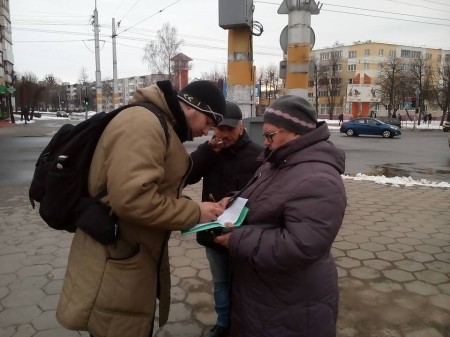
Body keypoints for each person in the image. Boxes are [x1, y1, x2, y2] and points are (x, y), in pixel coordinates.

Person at [56, 80, 227, 337]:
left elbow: (149, 191)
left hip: (126, 252)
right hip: (114, 257)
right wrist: (194, 213)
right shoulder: (144, 124)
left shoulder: (158, 123)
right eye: (209, 124)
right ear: (196, 108)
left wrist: (198, 209)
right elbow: (133, 199)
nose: (208, 132)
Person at [215, 95, 347, 337]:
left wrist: (237, 240)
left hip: (292, 303)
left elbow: (301, 245)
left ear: (296, 133)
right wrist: (232, 201)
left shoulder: (318, 178)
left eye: (269, 135)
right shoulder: (281, 161)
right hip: (267, 292)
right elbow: (267, 195)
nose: (265, 142)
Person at [186, 101, 264, 337]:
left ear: (241, 127)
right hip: (213, 232)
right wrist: (207, 151)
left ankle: (245, 325)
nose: (222, 134)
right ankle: (223, 324)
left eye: (228, 129)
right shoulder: (211, 152)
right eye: (218, 128)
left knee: (246, 285)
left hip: (244, 234)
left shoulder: (259, 155)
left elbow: (266, 195)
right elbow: (187, 176)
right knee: (220, 282)